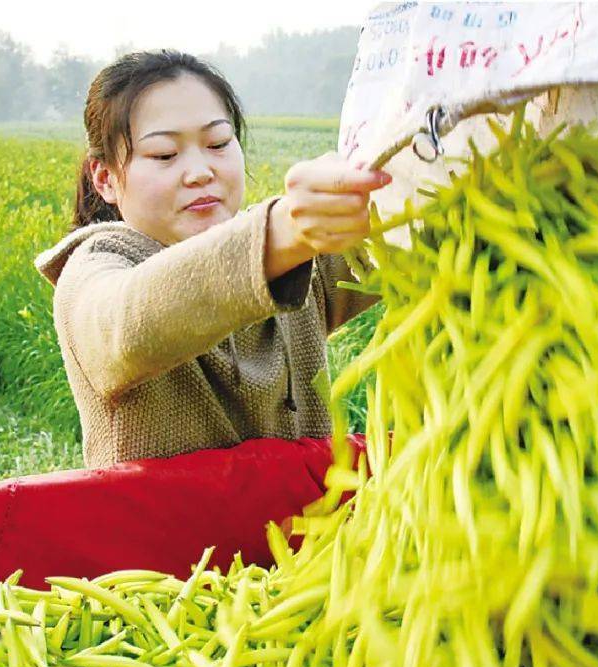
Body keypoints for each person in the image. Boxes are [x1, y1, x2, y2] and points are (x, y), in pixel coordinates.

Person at [34, 50, 389, 468]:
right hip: (164, 534)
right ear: (106, 178)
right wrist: (284, 231)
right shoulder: (93, 268)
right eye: (165, 154)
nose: (200, 171)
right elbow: (126, 327)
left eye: (218, 143)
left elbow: (398, 242)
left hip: (311, 532)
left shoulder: (292, 257)